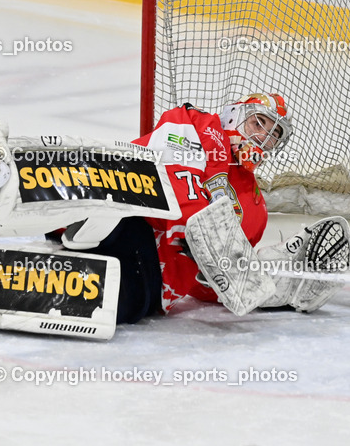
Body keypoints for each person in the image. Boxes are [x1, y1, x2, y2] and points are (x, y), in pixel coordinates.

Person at [70, 93, 300, 322]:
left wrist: (267, 282)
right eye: (258, 123)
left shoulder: (256, 211)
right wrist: (200, 231)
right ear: (234, 117)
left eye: (274, 134)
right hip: (129, 218)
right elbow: (169, 172)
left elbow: (206, 286)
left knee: (115, 306)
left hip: (153, 283)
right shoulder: (198, 123)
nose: (264, 136)